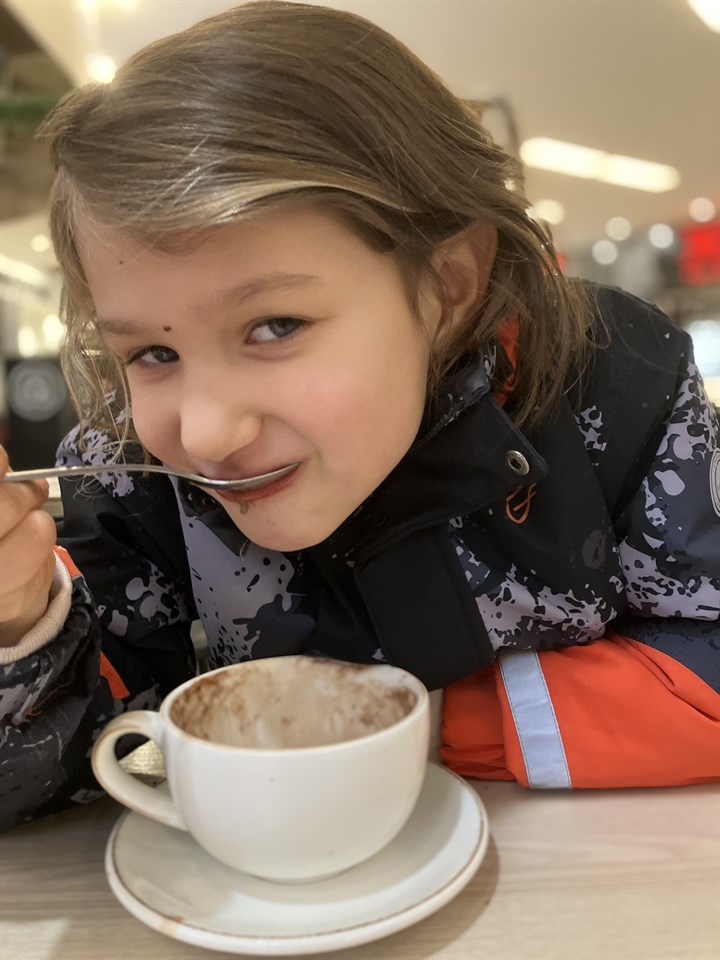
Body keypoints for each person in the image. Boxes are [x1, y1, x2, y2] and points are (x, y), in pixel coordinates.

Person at [0, 1, 718, 831]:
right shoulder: (125, 462)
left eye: (276, 326)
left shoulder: (619, 378)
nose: (205, 435)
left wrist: (421, 728)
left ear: (449, 284)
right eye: (152, 353)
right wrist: (21, 627)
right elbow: (98, 749)